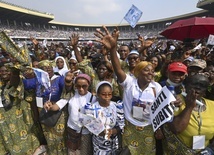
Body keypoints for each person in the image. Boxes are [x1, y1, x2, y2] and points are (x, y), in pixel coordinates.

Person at [95, 26, 162, 154]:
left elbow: (160, 109)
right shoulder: (130, 83)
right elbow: (118, 69)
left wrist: (159, 127)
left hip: (148, 128)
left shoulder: (156, 87)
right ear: (138, 72)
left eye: (152, 71)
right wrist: (113, 49)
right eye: (146, 70)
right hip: (130, 127)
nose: (150, 73)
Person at [162, 74, 214, 154]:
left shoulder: (212, 105)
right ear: (185, 86)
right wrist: (189, 107)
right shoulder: (174, 101)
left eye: (202, 85)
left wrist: (210, 149)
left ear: (206, 90)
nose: (198, 87)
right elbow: (177, 129)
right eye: (194, 84)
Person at [91, 81, 125, 154]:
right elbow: (91, 127)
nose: (107, 97)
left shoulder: (116, 106)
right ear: (98, 94)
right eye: (103, 94)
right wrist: (101, 132)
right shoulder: (93, 108)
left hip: (114, 144)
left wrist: (113, 131)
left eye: (109, 94)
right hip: (99, 145)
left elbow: (122, 125)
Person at [67, 73, 96, 155]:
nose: (81, 89)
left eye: (84, 86)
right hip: (72, 129)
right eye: (78, 86)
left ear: (88, 85)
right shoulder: (72, 95)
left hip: (85, 131)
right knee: (72, 151)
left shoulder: (93, 98)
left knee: (84, 152)